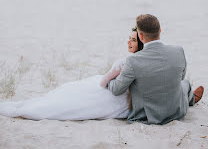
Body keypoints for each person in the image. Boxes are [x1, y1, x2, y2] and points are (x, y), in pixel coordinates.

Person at [0, 29, 141, 121]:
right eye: (129, 38)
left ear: (140, 44)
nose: (128, 42)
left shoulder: (125, 62)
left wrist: (112, 82)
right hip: (122, 102)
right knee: (69, 97)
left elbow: (103, 83)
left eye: (133, 40)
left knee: (69, 102)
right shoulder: (142, 64)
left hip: (110, 93)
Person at [106, 14, 204, 125]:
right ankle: (190, 100)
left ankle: (190, 99)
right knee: (185, 83)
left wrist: (109, 80)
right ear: (160, 30)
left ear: (141, 36)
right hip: (178, 112)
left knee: (183, 84)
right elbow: (180, 77)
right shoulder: (178, 50)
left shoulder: (132, 60)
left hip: (147, 117)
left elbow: (116, 90)